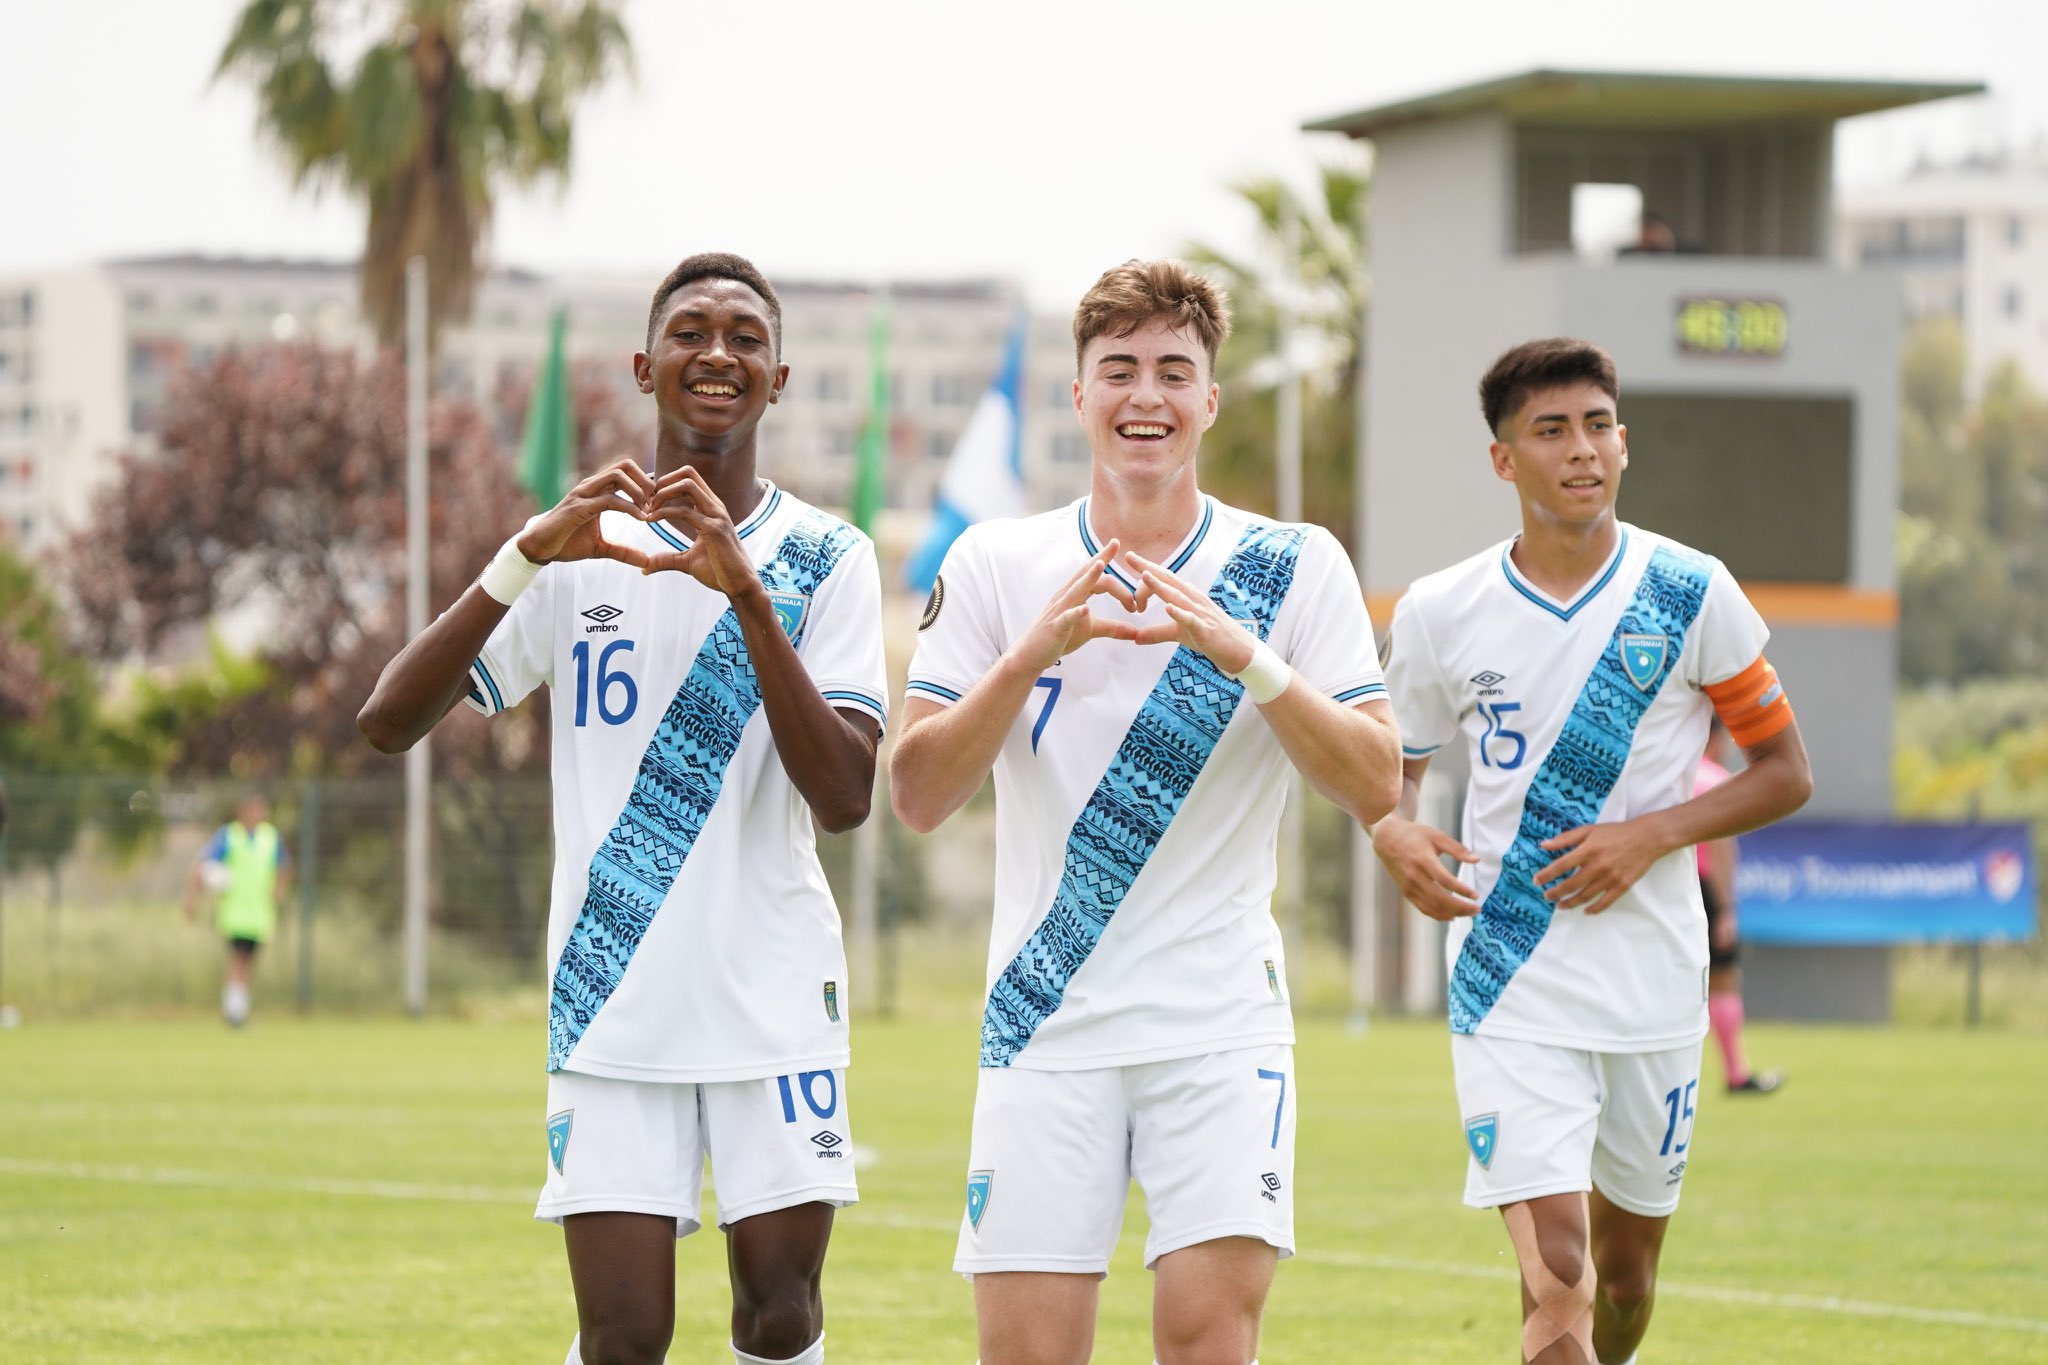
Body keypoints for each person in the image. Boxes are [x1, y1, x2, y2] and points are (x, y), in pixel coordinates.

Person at [357, 252, 888, 1365]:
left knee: (779, 1314)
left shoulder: (826, 557)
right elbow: (387, 721)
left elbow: (842, 797)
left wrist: (745, 588)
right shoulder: (572, 550)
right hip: (609, 994)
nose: (717, 354)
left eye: (746, 338)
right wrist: (519, 556)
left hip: (772, 996)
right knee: (623, 1337)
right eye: (691, 332)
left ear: (778, 380)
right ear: (645, 369)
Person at [890, 259, 1402, 1365]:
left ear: (1209, 400)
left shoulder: (1290, 564)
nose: (1145, 397)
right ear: (1076, 395)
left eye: (1174, 371)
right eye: (1116, 370)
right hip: (1043, 1021)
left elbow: (1374, 779)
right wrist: (1036, 650)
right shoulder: (997, 561)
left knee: (1205, 1342)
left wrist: (1244, 656)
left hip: (1216, 1024)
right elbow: (917, 791)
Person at [1370, 337, 1812, 1365]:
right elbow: (1392, 768)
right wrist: (1391, 829)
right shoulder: (1439, 612)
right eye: (1550, 430)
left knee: (1621, 1283)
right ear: (1502, 460)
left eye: (1597, 426)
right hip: (1506, 974)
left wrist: (1647, 837)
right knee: (1558, 1268)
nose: (1580, 450)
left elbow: (1784, 771)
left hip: (1653, 984)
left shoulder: (1688, 590)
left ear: (1624, 444)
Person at [1696, 720, 1782, 1094]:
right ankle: (1736, 1074)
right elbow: (1720, 849)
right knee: (1724, 982)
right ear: (1713, 737)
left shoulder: (1671, 777)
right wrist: (1726, 909)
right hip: (1705, 890)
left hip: (1664, 891)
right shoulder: (1715, 780)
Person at [185, 790, 291, 1027]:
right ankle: (233, 1011)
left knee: (248, 962)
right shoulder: (229, 836)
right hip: (234, 912)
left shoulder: (270, 837)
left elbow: (284, 866)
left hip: (259, 912)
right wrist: (194, 897)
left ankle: (239, 1009)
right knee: (237, 959)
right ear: (241, 811)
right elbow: (202, 865)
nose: (257, 813)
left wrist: (278, 890)